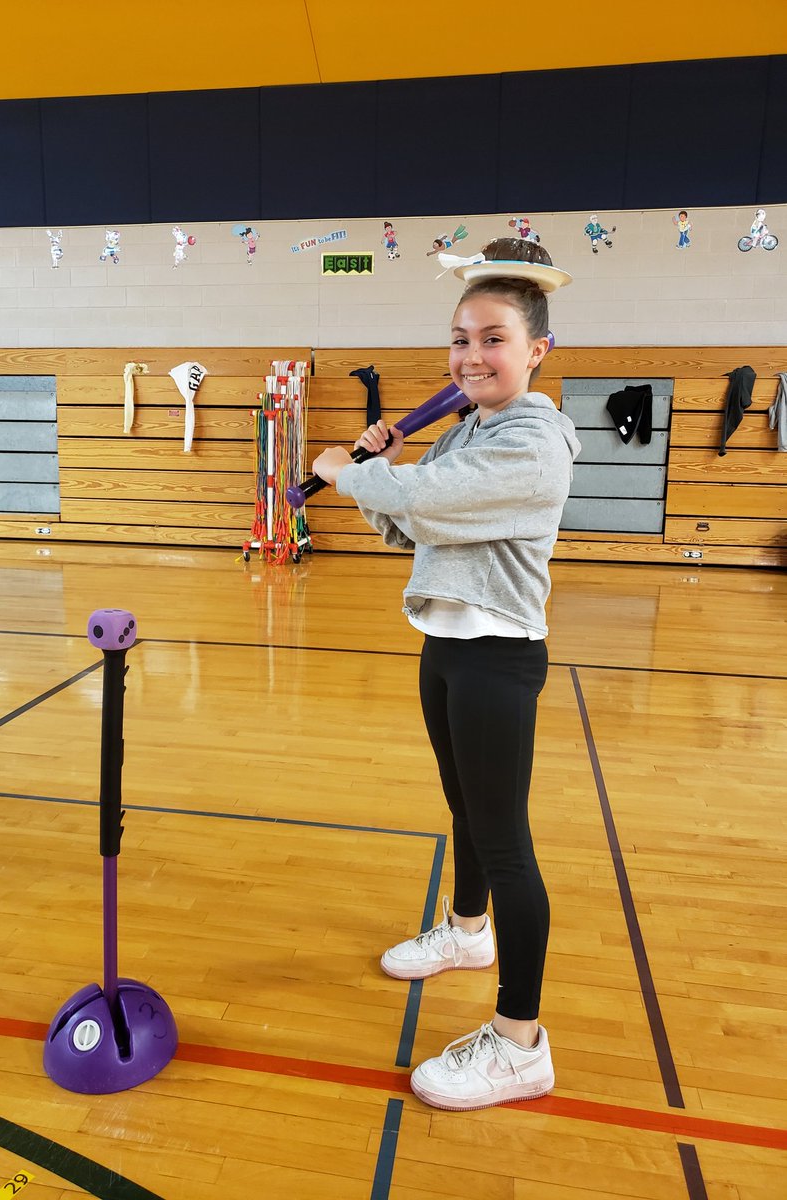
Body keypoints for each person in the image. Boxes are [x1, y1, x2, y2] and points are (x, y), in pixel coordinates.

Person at [311, 236, 579, 1112]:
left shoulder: (535, 440)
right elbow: (420, 529)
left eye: (493, 338)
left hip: (499, 654)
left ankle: (519, 1043)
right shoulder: (471, 428)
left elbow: (423, 501)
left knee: (505, 841)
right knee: (464, 806)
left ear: (536, 349)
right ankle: (468, 934)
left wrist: (363, 476)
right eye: (460, 337)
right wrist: (379, 478)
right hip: (447, 642)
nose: (471, 355)